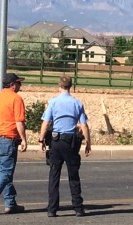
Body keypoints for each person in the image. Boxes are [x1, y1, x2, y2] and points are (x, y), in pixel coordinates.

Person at [38, 75, 91, 217]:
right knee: (73, 175)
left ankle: (52, 209)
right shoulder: (77, 103)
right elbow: (84, 125)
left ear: (59, 86)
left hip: (56, 141)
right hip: (71, 142)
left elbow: (46, 123)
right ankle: (78, 208)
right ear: (70, 86)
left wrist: (41, 139)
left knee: (54, 175)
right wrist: (88, 143)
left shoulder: (53, 102)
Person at [0, 73, 27, 214]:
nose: (20, 86)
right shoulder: (16, 98)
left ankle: (10, 203)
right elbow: (19, 121)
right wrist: (24, 139)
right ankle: (10, 202)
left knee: (4, 172)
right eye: (18, 83)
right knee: (6, 172)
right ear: (12, 85)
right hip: (8, 138)